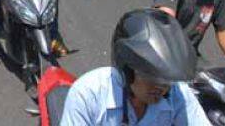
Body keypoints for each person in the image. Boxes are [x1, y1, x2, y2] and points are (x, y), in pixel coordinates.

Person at [60, 8, 210, 126]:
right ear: (127, 70)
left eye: (167, 80)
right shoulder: (89, 95)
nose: (162, 87)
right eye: (152, 77)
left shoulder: (177, 93)